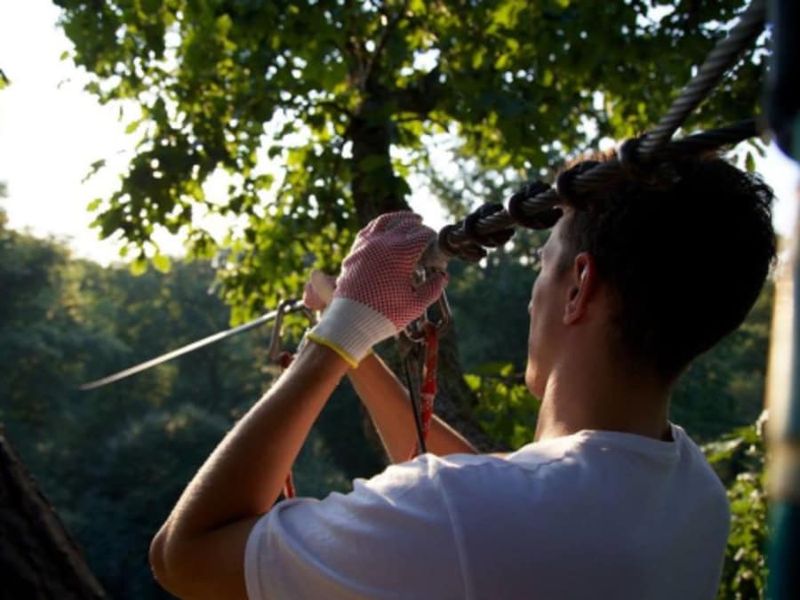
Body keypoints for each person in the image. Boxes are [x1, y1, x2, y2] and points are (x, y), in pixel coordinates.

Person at [148, 149, 776, 599]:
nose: (535, 289)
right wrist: (358, 343)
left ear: (578, 286)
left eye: (542, 261)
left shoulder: (469, 517)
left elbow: (185, 557)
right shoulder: (692, 492)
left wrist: (336, 335)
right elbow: (491, 490)